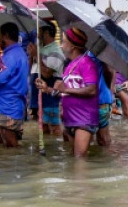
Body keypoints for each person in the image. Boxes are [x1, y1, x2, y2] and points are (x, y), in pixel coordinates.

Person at [37, 28, 99, 157]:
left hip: (83, 119)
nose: (61, 45)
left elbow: (92, 90)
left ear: (72, 47)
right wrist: (47, 89)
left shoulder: (87, 63)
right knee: (74, 158)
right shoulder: (70, 66)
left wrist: (65, 89)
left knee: (79, 159)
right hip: (70, 120)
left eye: (64, 42)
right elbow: (65, 92)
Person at [0, 23, 30, 148]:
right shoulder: (13, 54)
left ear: (6, 36)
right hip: (5, 107)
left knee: (10, 149)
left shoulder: (12, 56)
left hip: (5, 109)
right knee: (7, 150)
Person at [28, 23, 66, 133]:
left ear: (46, 33)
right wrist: (31, 55)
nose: (37, 34)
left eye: (39, 31)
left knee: (55, 130)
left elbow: (47, 74)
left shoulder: (56, 52)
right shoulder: (39, 49)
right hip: (38, 99)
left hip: (50, 100)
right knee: (43, 130)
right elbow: (30, 70)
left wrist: (36, 55)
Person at [91, 54, 115, 148]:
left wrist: (109, 88)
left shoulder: (98, 52)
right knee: (103, 137)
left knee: (101, 138)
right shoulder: (101, 51)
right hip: (102, 98)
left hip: (100, 99)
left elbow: (109, 70)